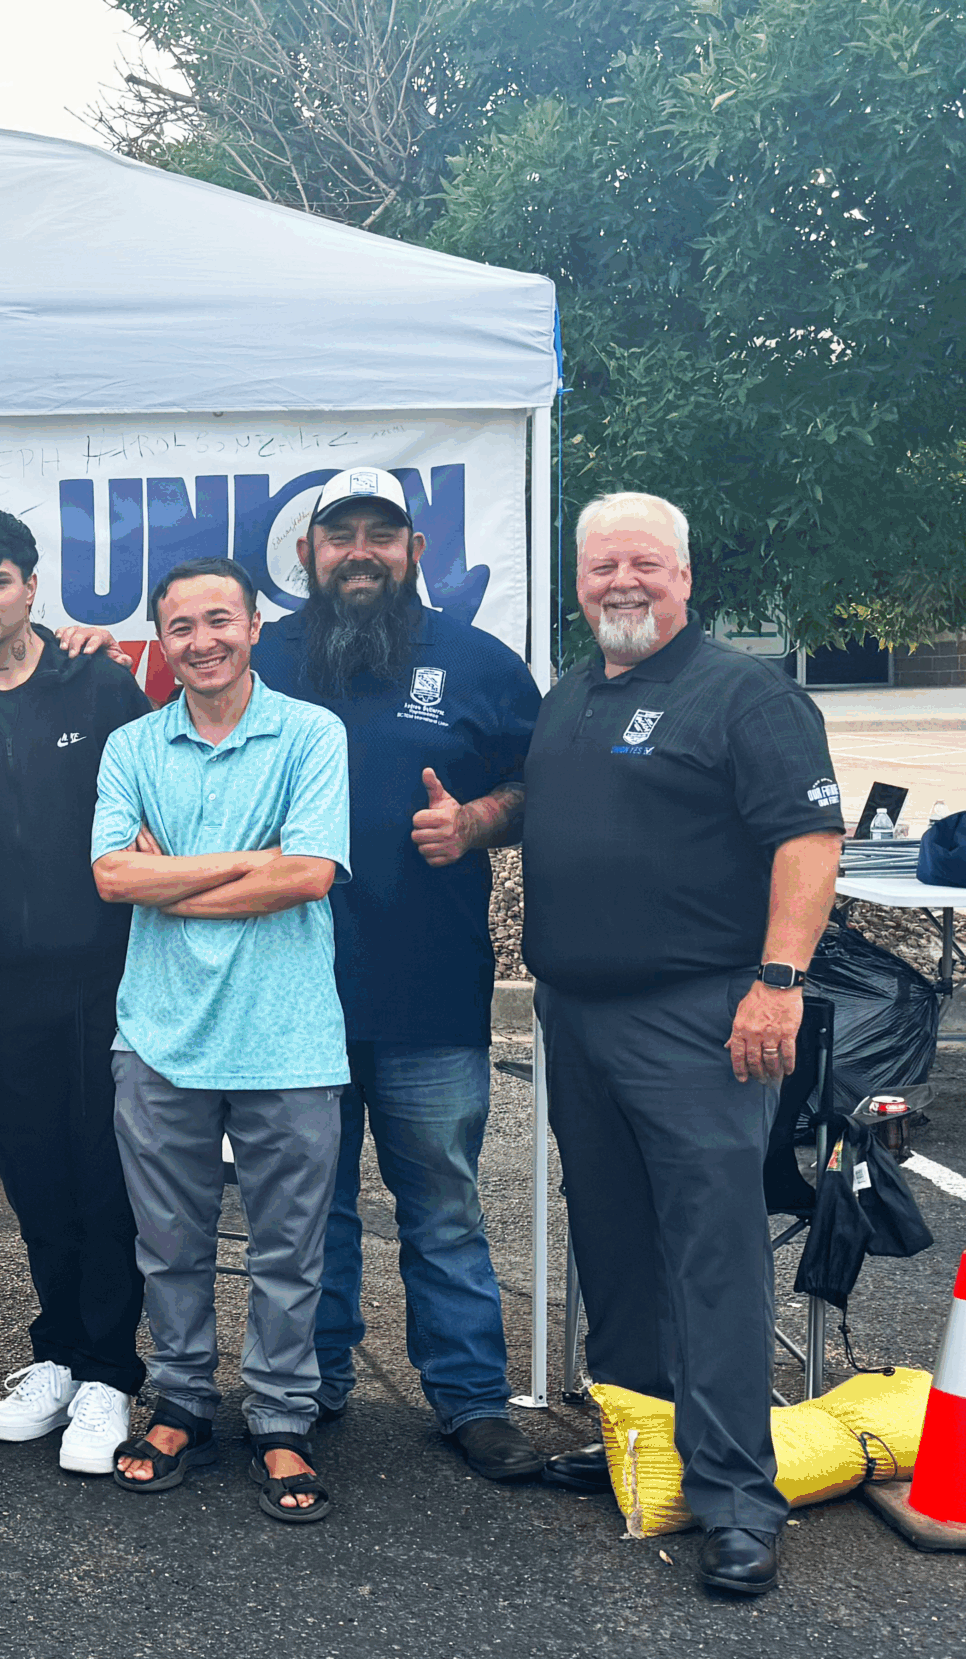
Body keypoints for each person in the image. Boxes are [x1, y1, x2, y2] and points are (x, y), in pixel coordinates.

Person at [522, 492, 841, 1599]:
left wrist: (778, 982)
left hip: (701, 1018)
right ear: (577, 584)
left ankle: (736, 1494)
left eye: (644, 563)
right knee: (614, 1244)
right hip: (576, 1014)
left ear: (685, 576)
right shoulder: (571, 694)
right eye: (602, 565)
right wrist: (472, 823)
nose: (622, 581)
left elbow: (808, 839)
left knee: (711, 1253)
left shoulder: (746, 695)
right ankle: (640, 1447)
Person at [248, 468, 544, 1482]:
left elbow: (540, 784)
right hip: (289, 997)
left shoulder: (479, 662)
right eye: (341, 535)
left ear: (415, 551)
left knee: (445, 1210)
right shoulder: (261, 658)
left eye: (382, 533)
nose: (360, 551)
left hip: (430, 992)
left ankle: (470, 1399)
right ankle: (310, 1386)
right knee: (306, 1213)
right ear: (307, 554)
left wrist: (478, 820)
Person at [90, 556, 349, 1525]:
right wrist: (254, 861)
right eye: (180, 626)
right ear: (161, 641)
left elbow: (310, 876)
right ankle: (183, 1405)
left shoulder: (310, 734)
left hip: (289, 1037)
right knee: (169, 1245)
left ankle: (281, 1419)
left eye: (218, 620)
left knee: (289, 1248)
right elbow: (112, 878)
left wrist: (177, 879)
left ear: (252, 626)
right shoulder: (131, 746)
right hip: (158, 1036)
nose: (201, 641)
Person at [0, 509, 155, 1474]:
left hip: (105, 974)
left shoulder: (97, 682)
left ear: (31, 587)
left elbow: (151, 803)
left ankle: (110, 1373)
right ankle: (58, 1354)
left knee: (106, 1174)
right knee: (32, 1174)